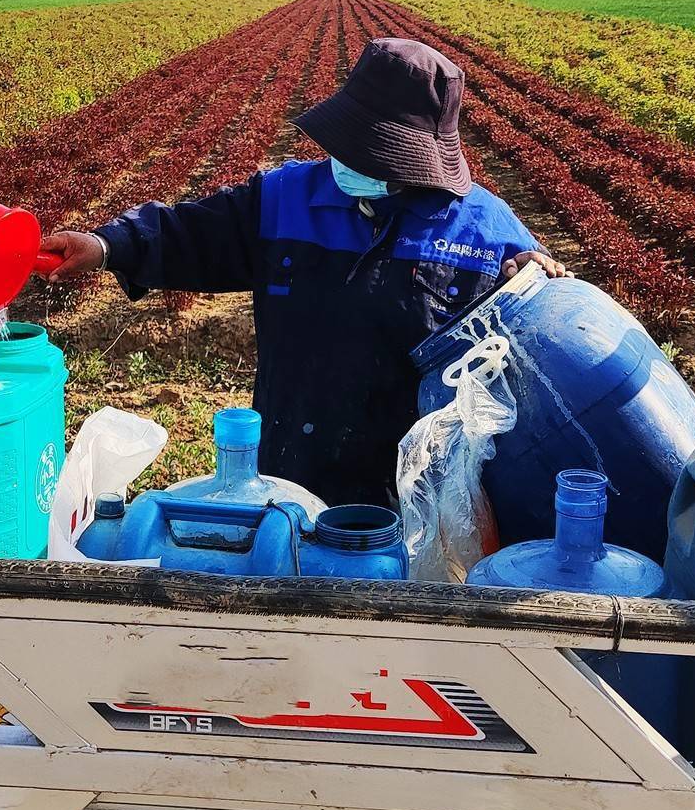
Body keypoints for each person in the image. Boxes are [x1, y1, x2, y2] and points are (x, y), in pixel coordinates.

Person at [42, 37, 558, 507]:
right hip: (289, 475)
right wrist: (107, 245)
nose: (347, 161)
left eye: (371, 151)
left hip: (414, 499)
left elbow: (544, 369)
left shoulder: (487, 235)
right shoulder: (286, 199)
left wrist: (543, 291)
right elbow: (190, 231)